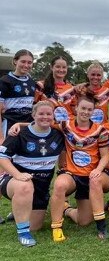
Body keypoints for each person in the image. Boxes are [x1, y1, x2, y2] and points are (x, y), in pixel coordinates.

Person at [35, 94, 109, 242]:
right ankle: (56, 227)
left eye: (89, 109)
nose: (86, 112)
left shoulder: (100, 131)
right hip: (71, 174)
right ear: (76, 108)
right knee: (60, 184)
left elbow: (105, 156)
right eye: (83, 108)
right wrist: (19, 125)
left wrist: (98, 170)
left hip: (90, 176)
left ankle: (67, 209)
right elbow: (43, 123)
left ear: (93, 111)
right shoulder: (65, 125)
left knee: (84, 221)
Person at [0, 101, 65, 247]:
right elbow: (2, 156)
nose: (45, 117)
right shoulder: (19, 134)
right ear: (33, 115)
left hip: (41, 188)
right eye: (41, 113)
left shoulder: (58, 134)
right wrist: (17, 175)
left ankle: (19, 212)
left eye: (49, 114)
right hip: (15, 181)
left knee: (35, 226)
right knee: (25, 186)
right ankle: (23, 233)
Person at [0, 49, 39, 144]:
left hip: (27, 127)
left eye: (29, 62)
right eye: (23, 61)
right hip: (9, 126)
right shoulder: (5, 81)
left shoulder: (32, 82)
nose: (26, 65)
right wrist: (1, 137)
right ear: (15, 61)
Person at [39, 56, 76, 124]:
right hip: (47, 126)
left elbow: (74, 110)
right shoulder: (41, 85)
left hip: (67, 126)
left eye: (64, 67)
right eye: (58, 67)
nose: (61, 70)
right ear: (51, 67)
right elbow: (34, 107)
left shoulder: (71, 88)